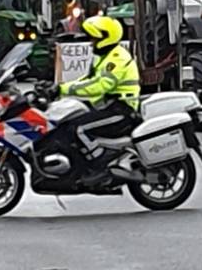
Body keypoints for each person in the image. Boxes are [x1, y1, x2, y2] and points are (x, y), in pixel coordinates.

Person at [41, 15, 141, 175]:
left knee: (78, 129)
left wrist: (63, 89)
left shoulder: (117, 59)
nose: (90, 43)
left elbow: (99, 86)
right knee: (66, 123)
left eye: (94, 39)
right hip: (106, 107)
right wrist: (57, 87)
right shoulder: (105, 57)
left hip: (121, 110)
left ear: (105, 39)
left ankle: (99, 165)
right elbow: (87, 80)